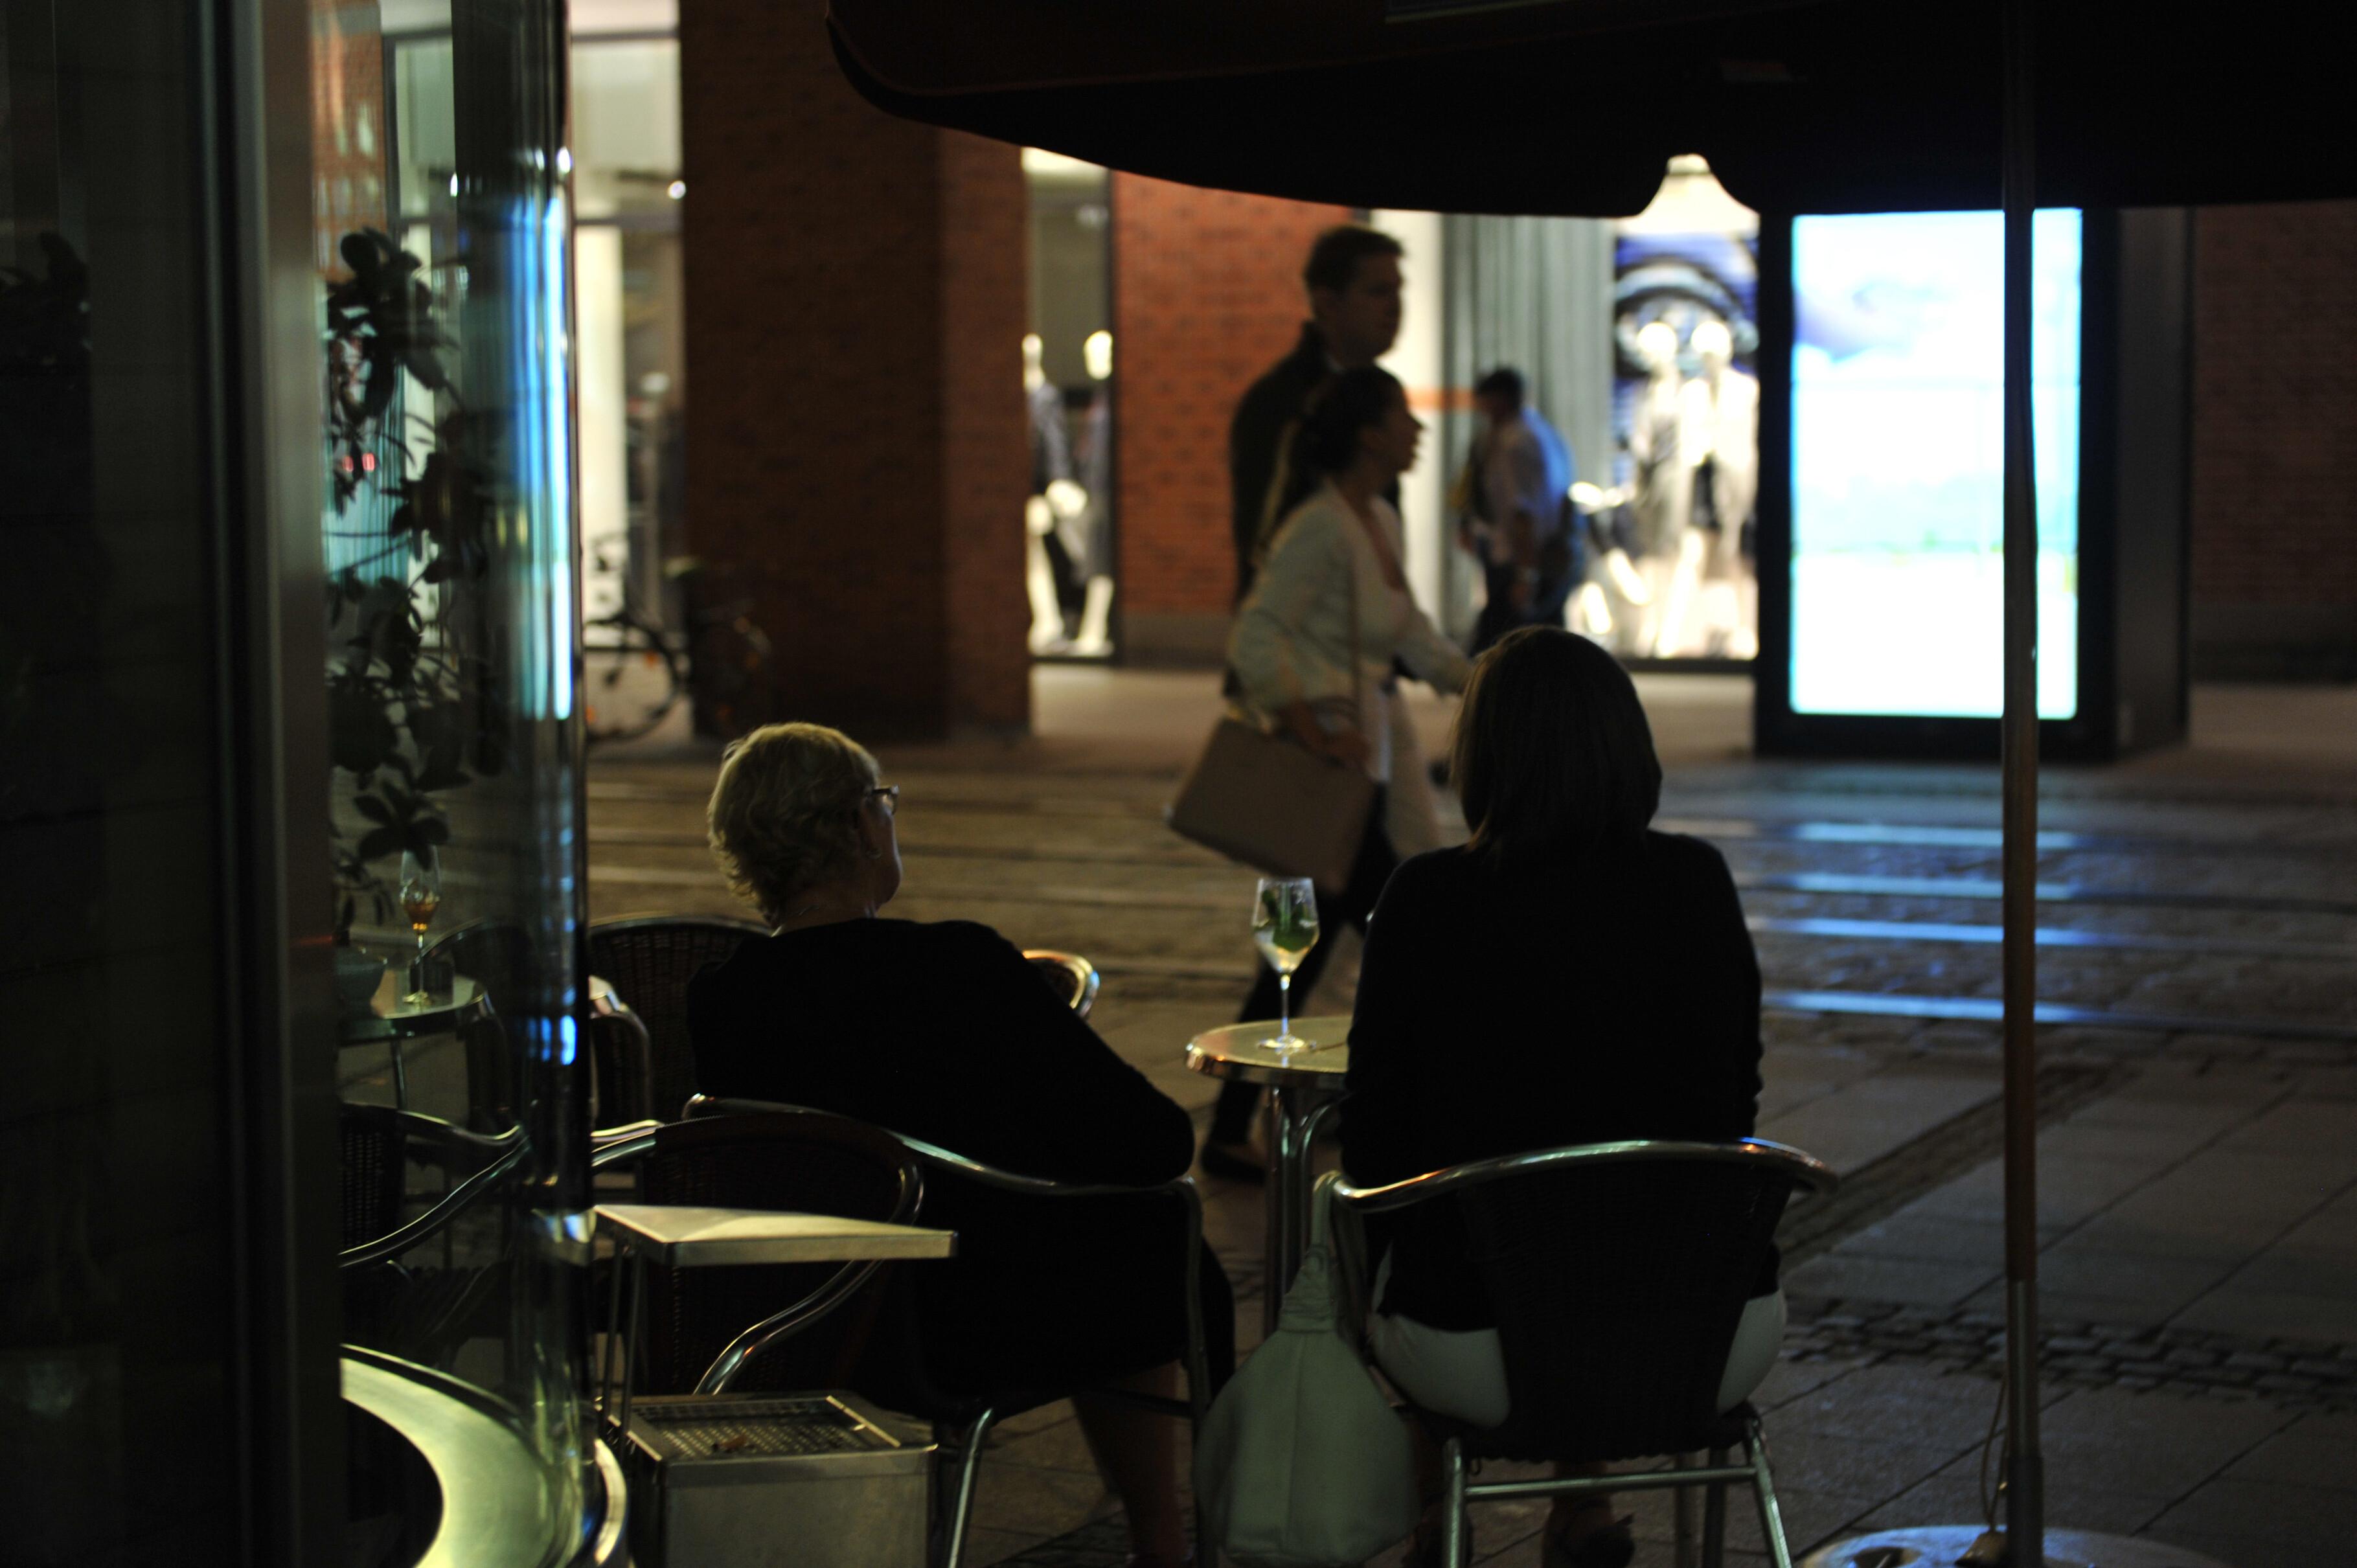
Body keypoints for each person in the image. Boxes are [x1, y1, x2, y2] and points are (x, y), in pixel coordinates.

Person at [687, 723, 1232, 1568]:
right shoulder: (957, 963)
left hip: (803, 1316)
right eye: (885, 806)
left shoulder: (721, 998)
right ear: (863, 827)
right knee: (1153, 1229)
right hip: (969, 1319)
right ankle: (1160, 1538)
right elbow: (1153, 1139)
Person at [1339, 627, 1776, 1568]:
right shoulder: (1695, 883)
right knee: (1594, 1215)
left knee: (1447, 1229)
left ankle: (1428, 1513)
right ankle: (1583, 1504)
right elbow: (1729, 1099)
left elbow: (1371, 1137)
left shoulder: (1426, 899)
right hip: (1707, 1332)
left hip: (1479, 1347)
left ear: (1482, 754)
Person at [1201, 368, 1472, 1181]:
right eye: (1402, 417)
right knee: (1387, 929)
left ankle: (1244, 1123)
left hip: (1359, 772)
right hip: (1324, 772)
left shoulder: (1375, 516)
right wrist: (1309, 718)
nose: (1417, 430)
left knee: (1297, 950)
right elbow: (1257, 636)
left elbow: (1410, 633)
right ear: (1368, 433)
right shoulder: (1322, 525)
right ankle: (1366, 1105)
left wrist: (1484, 677)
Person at [1229, 223, 1405, 601]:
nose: (1395, 308)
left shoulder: (1384, 393)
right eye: (1378, 292)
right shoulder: (1282, 402)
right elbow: (1262, 543)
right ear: (1327, 303)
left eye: (1397, 291)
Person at [1456, 367, 1577, 655]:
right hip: (1545, 552)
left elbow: (1523, 513)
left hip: (1520, 557)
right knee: (1543, 647)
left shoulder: (1514, 442)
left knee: (1502, 651)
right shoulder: (1542, 432)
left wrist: (1526, 574)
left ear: (1499, 399)